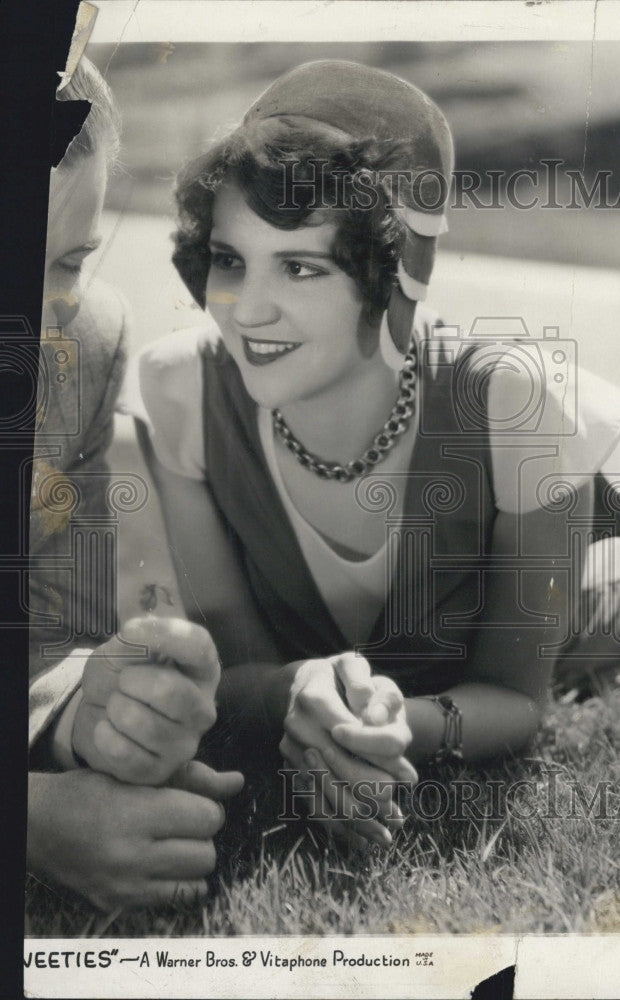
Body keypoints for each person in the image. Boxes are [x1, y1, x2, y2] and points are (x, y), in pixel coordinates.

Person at [122, 60, 620, 848]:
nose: (247, 308)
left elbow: (514, 700)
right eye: (230, 259)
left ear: (391, 276)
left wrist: (382, 732)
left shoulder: (515, 398)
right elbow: (237, 668)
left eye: (302, 266)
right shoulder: (184, 389)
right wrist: (300, 688)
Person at [27, 58, 242, 911]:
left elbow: (46, 627)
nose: (39, 321)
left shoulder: (88, 350)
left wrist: (92, 706)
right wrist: (34, 824)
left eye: (70, 262)